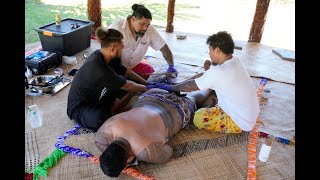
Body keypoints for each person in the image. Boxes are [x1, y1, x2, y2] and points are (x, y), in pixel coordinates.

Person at [148, 31, 260, 133]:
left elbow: (191, 86)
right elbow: (204, 76)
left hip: (241, 122)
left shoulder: (219, 72)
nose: (209, 53)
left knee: (198, 118)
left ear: (217, 50)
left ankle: (227, 119)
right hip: (249, 113)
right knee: (210, 87)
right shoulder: (234, 61)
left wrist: (172, 88)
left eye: (210, 50)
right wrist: (177, 85)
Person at [94, 88, 216, 177]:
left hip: (177, 110)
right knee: (183, 94)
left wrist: (135, 156)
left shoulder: (146, 153)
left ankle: (209, 87)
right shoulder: (105, 131)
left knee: (193, 100)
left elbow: (168, 151)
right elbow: (101, 144)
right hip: (153, 94)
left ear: (128, 160)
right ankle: (191, 87)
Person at [67, 27, 148, 132]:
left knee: (129, 82)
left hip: (97, 94)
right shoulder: (99, 69)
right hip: (80, 108)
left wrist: (145, 83)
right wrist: (147, 88)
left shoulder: (104, 55)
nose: (123, 46)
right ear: (113, 49)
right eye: (121, 45)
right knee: (102, 119)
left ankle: (117, 105)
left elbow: (126, 72)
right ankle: (115, 110)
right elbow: (128, 85)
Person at [107, 4, 177, 80]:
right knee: (123, 84)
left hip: (132, 67)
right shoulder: (117, 28)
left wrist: (171, 66)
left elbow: (164, 48)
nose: (145, 28)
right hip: (115, 67)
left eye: (147, 25)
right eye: (142, 24)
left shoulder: (149, 30)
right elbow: (108, 57)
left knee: (149, 71)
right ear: (133, 19)